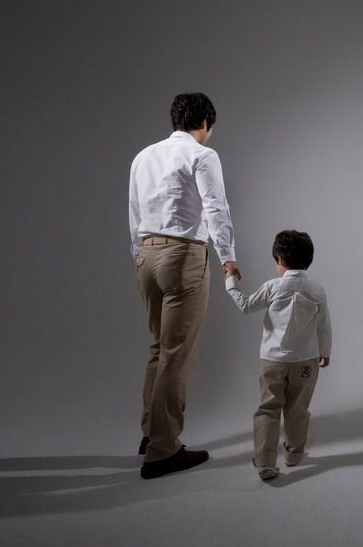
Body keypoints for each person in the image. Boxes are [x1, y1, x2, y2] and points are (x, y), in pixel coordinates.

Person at [129, 92, 241, 479]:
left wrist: (138, 259)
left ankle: (151, 433)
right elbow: (216, 207)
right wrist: (228, 256)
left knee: (160, 348)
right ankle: (163, 450)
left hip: (147, 255)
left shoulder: (143, 156)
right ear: (206, 123)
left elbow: (134, 212)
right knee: (177, 353)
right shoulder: (202, 154)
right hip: (183, 256)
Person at [225, 230, 331, 480]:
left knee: (268, 408)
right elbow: (323, 325)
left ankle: (265, 462)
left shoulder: (273, 287)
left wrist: (230, 282)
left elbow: (246, 305)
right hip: (306, 361)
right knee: (298, 409)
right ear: (308, 259)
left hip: (273, 360)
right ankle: (293, 454)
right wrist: (325, 351)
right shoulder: (317, 290)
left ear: (280, 259)